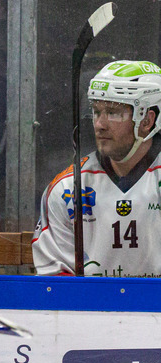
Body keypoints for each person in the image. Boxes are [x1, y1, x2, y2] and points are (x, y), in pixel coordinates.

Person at [33, 60, 161, 277]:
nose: (100, 124)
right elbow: (55, 281)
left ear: (147, 120)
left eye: (113, 113)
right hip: (89, 302)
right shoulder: (67, 189)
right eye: (96, 111)